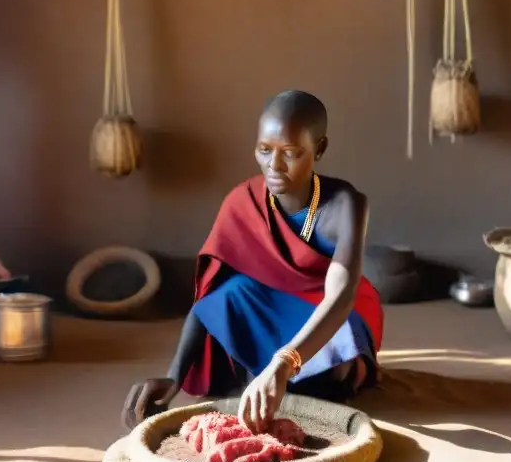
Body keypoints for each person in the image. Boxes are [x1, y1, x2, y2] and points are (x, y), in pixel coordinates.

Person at [122, 90, 384, 434]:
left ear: (319, 149)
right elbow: (212, 299)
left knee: (341, 341)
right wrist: (174, 376)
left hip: (332, 312)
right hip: (271, 309)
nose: (274, 166)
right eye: (264, 150)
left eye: (290, 153)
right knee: (234, 290)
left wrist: (283, 361)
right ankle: (282, 380)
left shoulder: (345, 205)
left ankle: (284, 375)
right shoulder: (242, 200)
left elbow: (340, 296)